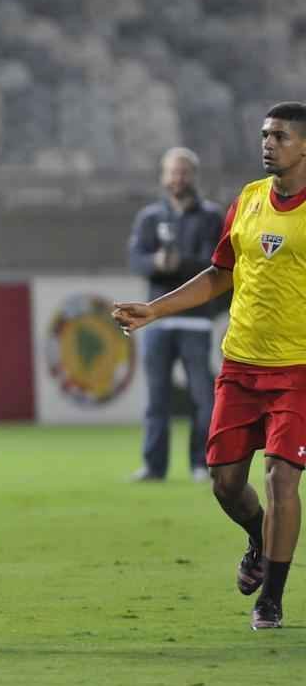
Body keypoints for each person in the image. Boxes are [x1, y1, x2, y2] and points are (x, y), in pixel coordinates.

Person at [114, 101, 306, 630]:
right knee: (224, 482)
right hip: (241, 364)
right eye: (265, 135)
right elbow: (220, 274)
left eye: (281, 136)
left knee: (282, 477)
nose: (268, 143)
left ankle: (271, 598)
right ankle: (258, 538)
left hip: (297, 370)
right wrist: (155, 309)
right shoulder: (248, 199)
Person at [126, 147, 224, 483]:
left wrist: (178, 264)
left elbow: (216, 263)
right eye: (173, 172)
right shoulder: (149, 217)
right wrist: (155, 263)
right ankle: (154, 467)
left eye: (183, 172)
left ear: (193, 175)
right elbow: (136, 260)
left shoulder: (211, 216)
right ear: (163, 176)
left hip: (196, 319)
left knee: (202, 397)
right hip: (157, 319)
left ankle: (202, 464)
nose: (178, 178)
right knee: (157, 398)